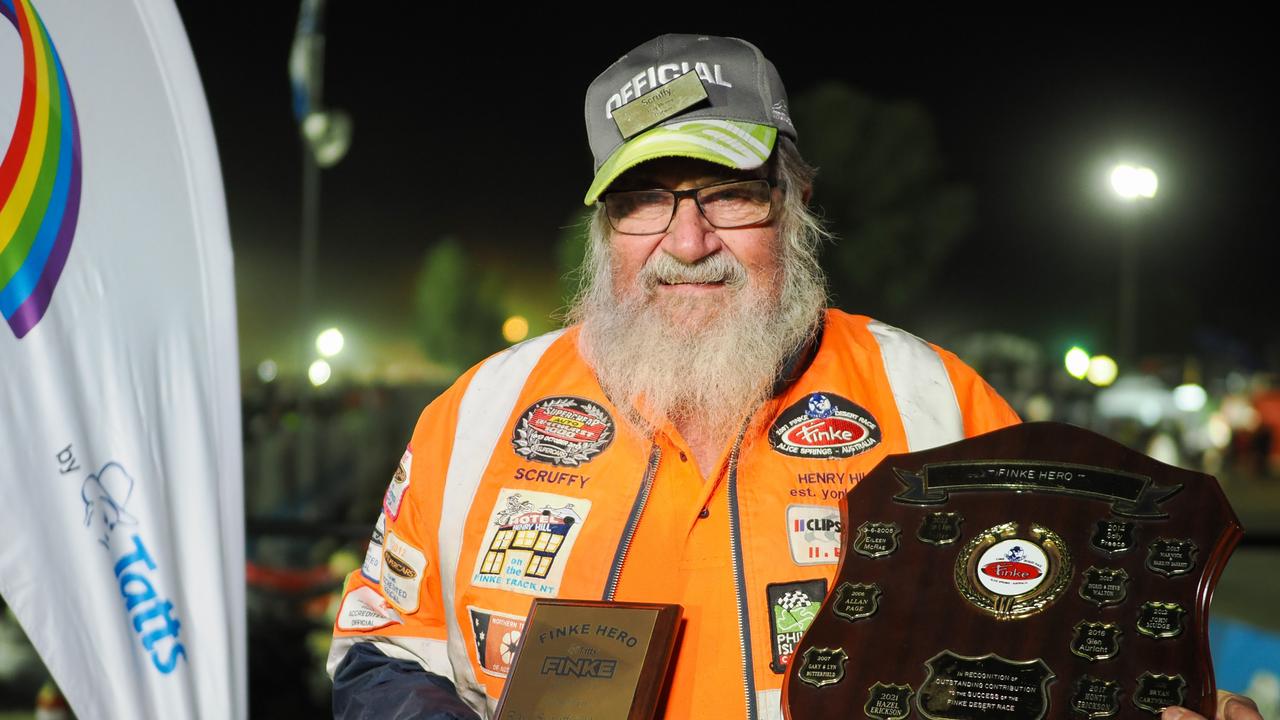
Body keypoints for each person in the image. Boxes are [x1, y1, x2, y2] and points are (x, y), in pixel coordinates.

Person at [327, 34, 1260, 720]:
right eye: (644, 200)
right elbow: (380, 652)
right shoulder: (479, 409)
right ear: (602, 224)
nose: (687, 243)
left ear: (796, 201)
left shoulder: (938, 405)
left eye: (731, 193)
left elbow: (1067, 663)